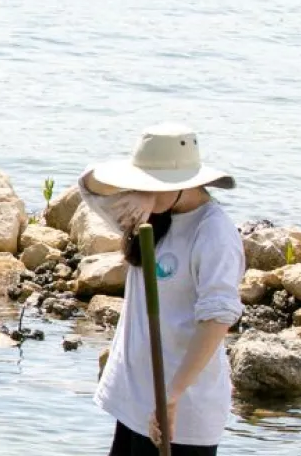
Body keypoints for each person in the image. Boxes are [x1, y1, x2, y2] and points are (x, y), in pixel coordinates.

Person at [80, 123, 242, 456]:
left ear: (185, 183)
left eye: (154, 182)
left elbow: (217, 319)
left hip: (181, 408)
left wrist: (172, 395)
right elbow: (90, 185)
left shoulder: (214, 233)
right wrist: (144, 192)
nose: (144, 189)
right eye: (141, 181)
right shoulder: (149, 213)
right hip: (134, 399)